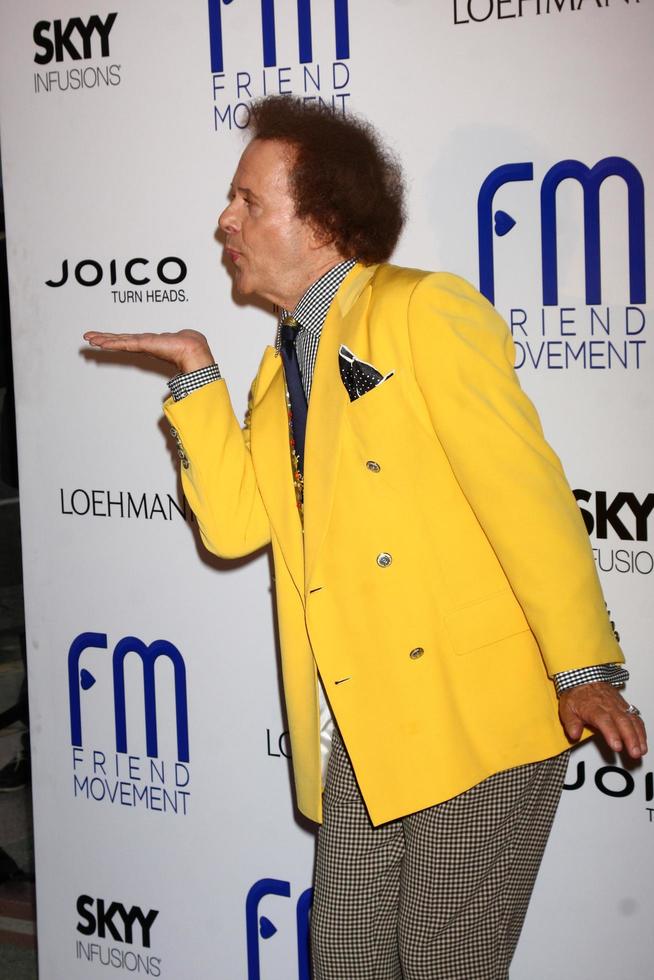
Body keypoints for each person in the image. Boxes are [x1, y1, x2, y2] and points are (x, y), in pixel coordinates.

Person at [85, 96, 647, 980]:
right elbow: (233, 530)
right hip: (368, 730)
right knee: (344, 958)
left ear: (321, 220)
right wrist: (197, 376)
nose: (223, 221)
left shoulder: (422, 310)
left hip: (478, 719)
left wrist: (584, 668)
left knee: (443, 967)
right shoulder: (282, 366)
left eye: (249, 202)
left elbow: (526, 494)